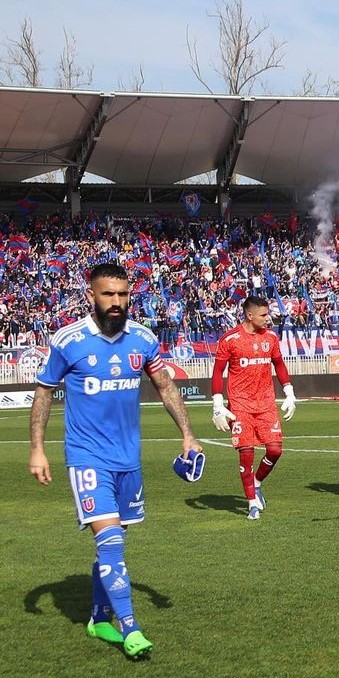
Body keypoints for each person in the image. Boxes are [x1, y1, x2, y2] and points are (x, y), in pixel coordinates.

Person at [28, 262, 202, 659]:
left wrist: (188, 434)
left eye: (123, 294)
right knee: (110, 541)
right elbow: (43, 392)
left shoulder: (142, 339)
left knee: (114, 542)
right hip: (87, 457)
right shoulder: (69, 340)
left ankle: (97, 617)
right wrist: (37, 448)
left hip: (128, 459)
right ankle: (131, 628)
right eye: (108, 294)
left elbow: (165, 386)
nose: (116, 302)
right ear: (91, 295)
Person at [211, 296, 298, 520]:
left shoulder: (271, 337)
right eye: (263, 315)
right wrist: (217, 404)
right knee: (246, 453)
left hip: (266, 403)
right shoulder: (231, 339)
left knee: (275, 450)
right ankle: (251, 503)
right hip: (240, 405)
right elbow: (218, 371)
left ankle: (257, 482)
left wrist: (289, 392)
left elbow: (279, 364)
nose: (268, 318)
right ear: (250, 316)